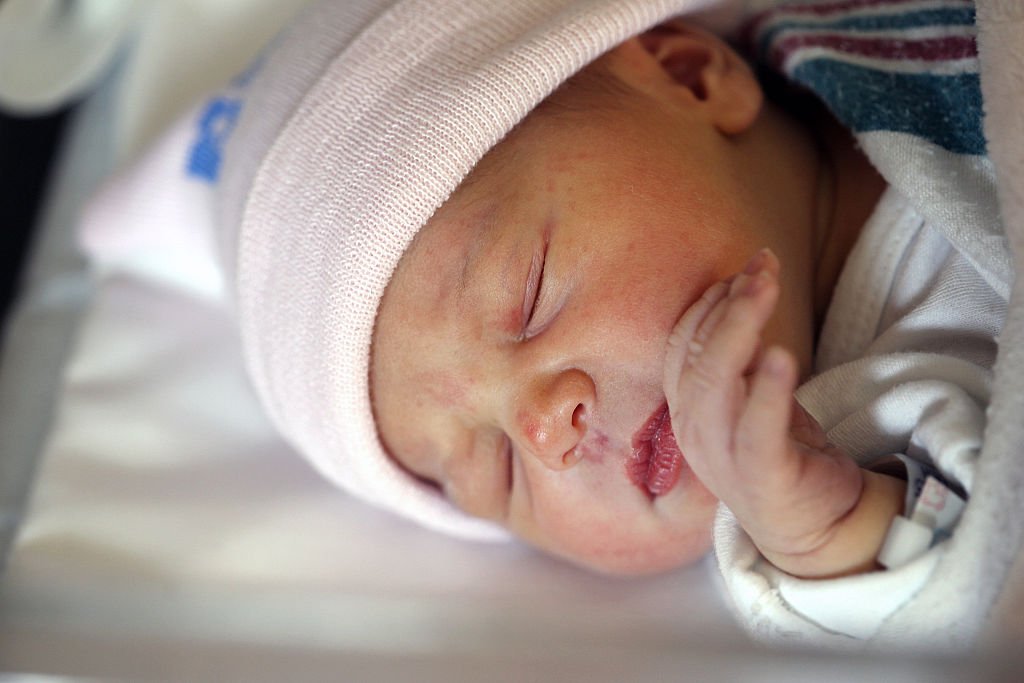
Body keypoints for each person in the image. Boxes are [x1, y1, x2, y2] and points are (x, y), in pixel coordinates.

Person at [212, 0, 1007, 646]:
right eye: (498, 472)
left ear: (688, 74)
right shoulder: (875, 457)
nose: (546, 430)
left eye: (528, 294)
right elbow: (978, 611)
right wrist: (831, 534)